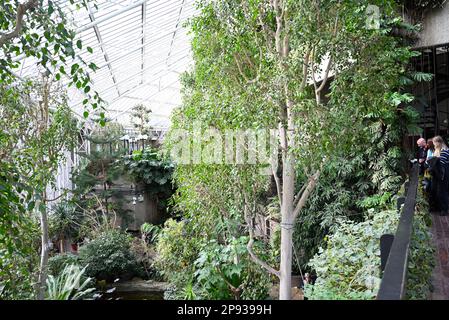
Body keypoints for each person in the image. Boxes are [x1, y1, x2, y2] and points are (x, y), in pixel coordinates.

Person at [432, 136, 449, 216]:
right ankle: (441, 208)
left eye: (434, 143)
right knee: (441, 191)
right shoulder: (440, 150)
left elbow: (442, 163)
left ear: (438, 143)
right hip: (441, 174)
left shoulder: (444, 151)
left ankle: (444, 209)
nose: (434, 145)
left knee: (443, 192)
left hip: (443, 174)